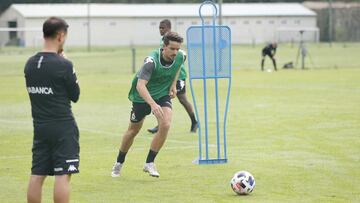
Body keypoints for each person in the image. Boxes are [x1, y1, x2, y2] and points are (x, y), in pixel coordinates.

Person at [111, 32, 185, 178]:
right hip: (141, 97)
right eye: (172, 49)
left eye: (177, 49)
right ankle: (119, 162)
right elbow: (140, 85)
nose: (175, 52)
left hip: (162, 94)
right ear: (164, 47)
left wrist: (173, 85)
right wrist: (152, 104)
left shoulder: (181, 56)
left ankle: (149, 163)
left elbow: (178, 66)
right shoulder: (151, 62)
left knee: (165, 124)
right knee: (133, 131)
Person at [25, 17, 80, 203]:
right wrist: (67, 63)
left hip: (40, 127)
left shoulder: (30, 64)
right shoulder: (63, 64)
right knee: (63, 175)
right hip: (63, 127)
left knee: (37, 174)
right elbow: (75, 95)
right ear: (60, 35)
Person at [147, 19, 198, 134]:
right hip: (168, 77)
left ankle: (194, 121)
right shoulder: (164, 41)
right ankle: (161, 124)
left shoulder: (173, 41)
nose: (160, 30)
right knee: (162, 98)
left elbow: (181, 58)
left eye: (162, 28)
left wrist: (174, 82)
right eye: (159, 28)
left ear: (168, 28)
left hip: (178, 76)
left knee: (182, 99)